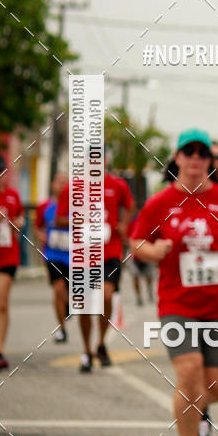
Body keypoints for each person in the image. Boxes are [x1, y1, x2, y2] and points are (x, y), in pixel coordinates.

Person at [131, 129, 218, 436]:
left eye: (202, 152)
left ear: (210, 161)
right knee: (188, 376)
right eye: (189, 152)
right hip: (177, 305)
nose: (196, 158)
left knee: (216, 387)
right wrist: (154, 251)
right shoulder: (161, 202)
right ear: (177, 158)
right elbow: (138, 240)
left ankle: (201, 409)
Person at [56, 149, 134, 372]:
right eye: (92, 159)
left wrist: (123, 224)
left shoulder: (117, 185)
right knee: (85, 306)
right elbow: (60, 218)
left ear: (105, 161)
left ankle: (101, 342)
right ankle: (87, 349)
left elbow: (129, 205)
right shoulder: (73, 187)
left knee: (107, 295)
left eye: (99, 159)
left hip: (110, 252)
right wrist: (79, 222)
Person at [35, 171, 69, 342]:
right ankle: (62, 329)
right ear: (52, 185)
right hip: (52, 254)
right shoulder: (44, 206)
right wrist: (41, 235)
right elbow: (38, 226)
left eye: (65, 182)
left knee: (70, 293)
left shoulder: (75, 205)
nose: (62, 185)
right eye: (59, 182)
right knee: (58, 289)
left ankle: (68, 305)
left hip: (73, 256)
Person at [0, 155, 24, 371]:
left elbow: (19, 221)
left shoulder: (13, 196)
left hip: (7, 257)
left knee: (2, 302)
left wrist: (18, 223)